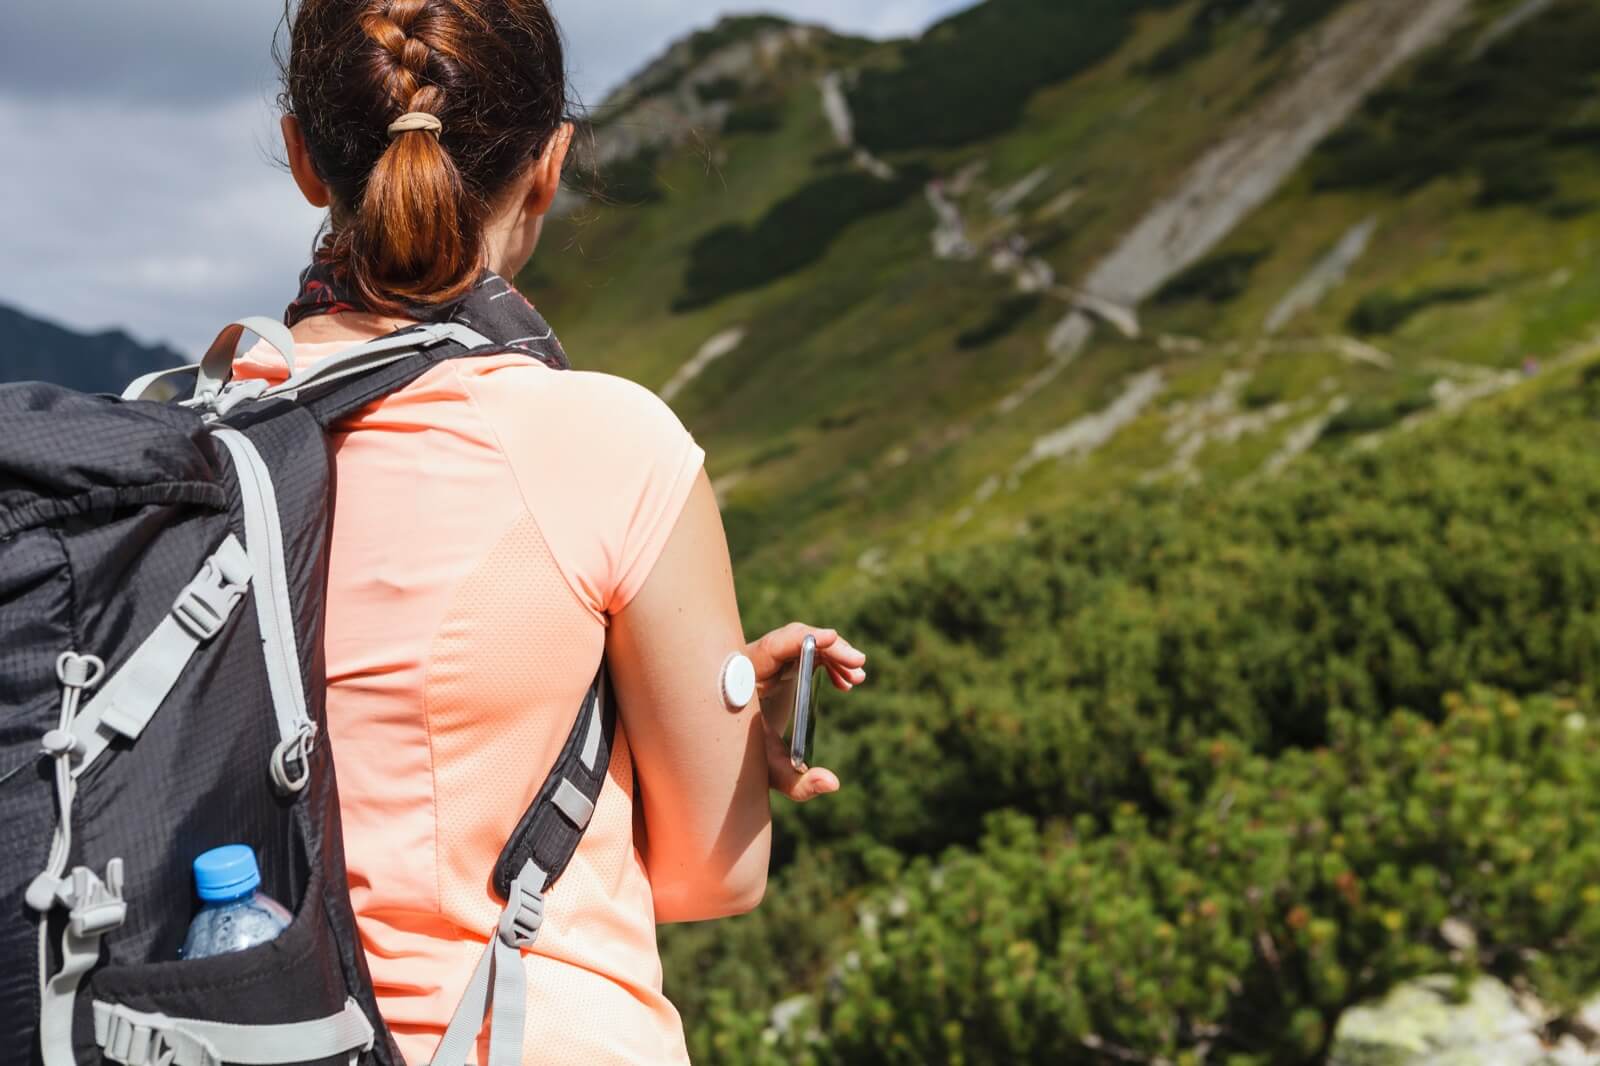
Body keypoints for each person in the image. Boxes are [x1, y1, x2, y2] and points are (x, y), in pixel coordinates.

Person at [238, 1, 868, 1062]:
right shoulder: (608, 444)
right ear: (549, 164)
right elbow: (713, 877)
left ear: (304, 156)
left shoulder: (180, 445)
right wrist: (704, 735)